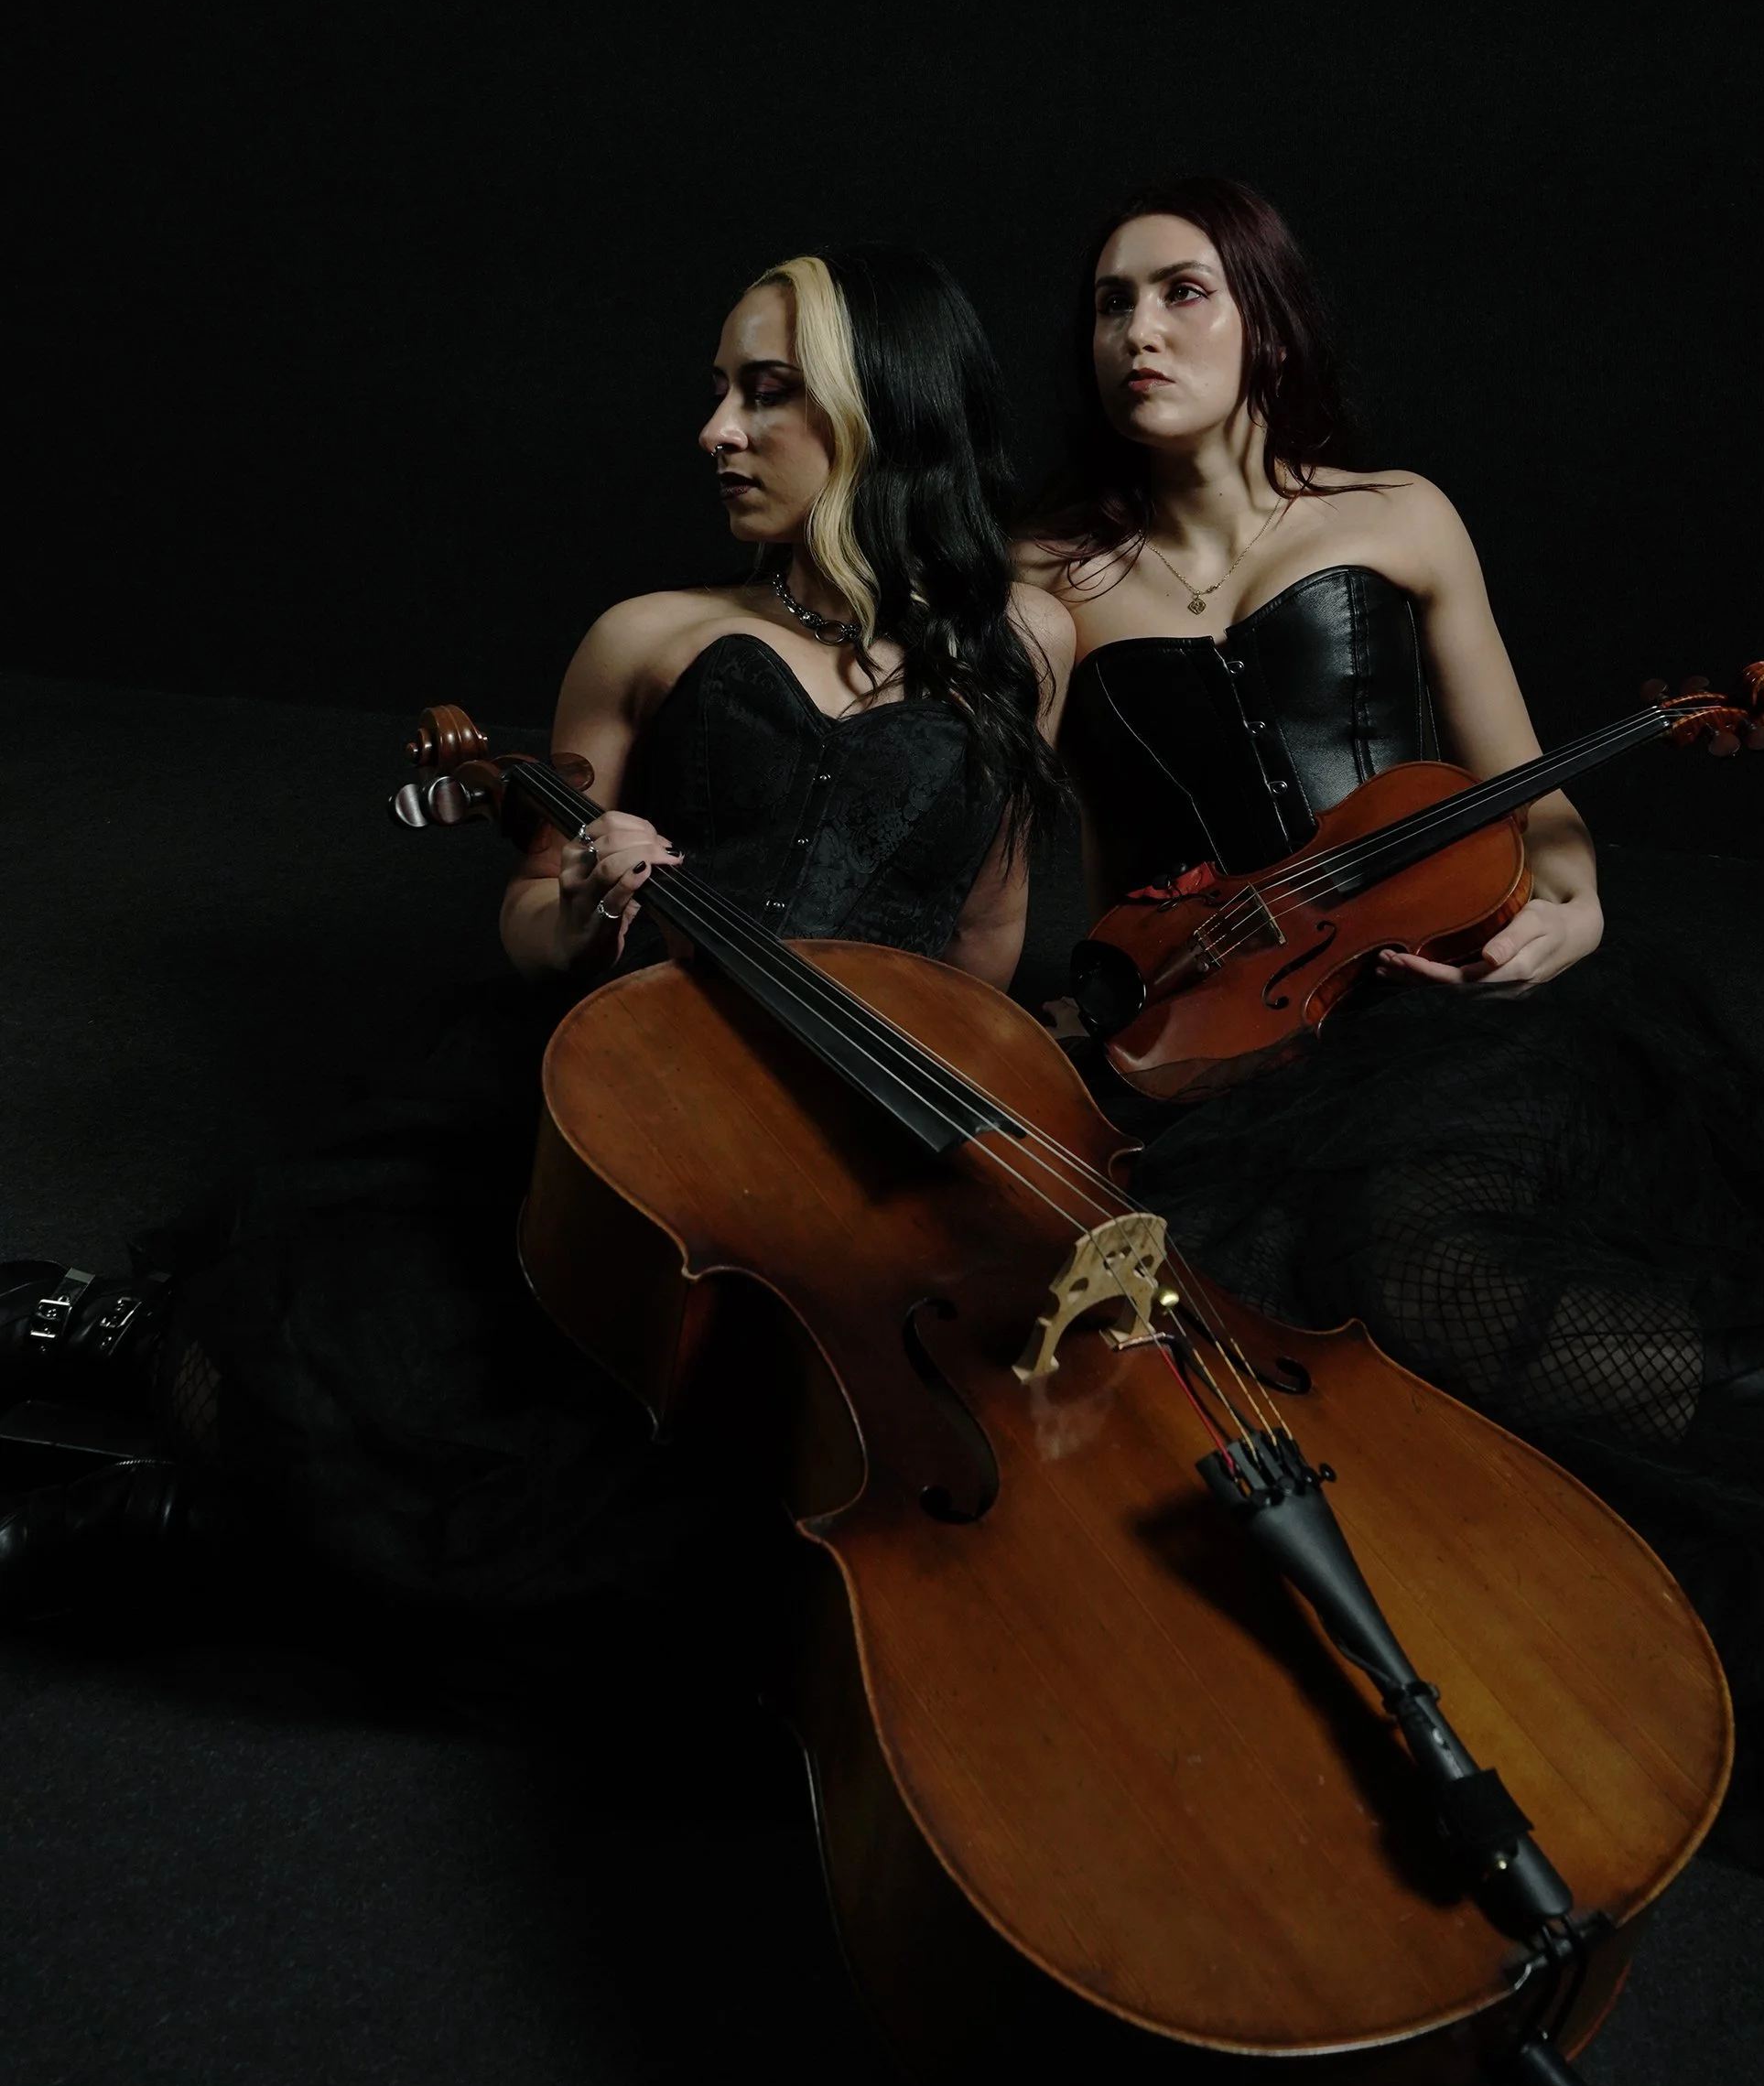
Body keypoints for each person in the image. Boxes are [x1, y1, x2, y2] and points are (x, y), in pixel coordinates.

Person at [0, 243, 1073, 1613]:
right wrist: (580, 901)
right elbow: (525, 922)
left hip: (853, 1134)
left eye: (766, 394)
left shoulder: (1026, 642)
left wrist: (971, 1138)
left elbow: (986, 936)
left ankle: (142, 1426)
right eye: (717, 391)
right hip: (617, 1091)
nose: (715, 432)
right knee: (422, 1410)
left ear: (887, 413)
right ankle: (153, 1470)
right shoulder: (650, 637)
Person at [1019, 173, 1764, 1869]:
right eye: (1109, 305)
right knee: (1323, 1374)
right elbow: (1097, 873)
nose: (1139, 332)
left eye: (1181, 294)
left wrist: (1575, 909)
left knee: (1425, 1274)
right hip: (1239, 1052)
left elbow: (1534, 796)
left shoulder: (1397, 516)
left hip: (1456, 1012)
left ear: (1264, 319)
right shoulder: (1049, 580)